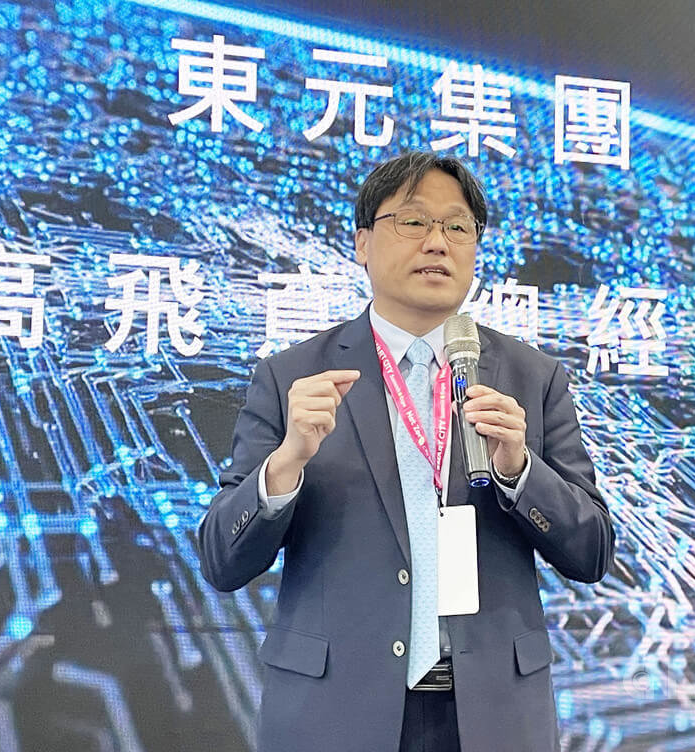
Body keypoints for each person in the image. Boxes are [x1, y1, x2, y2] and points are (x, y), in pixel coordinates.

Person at [197, 152, 616, 752]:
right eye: (414, 222)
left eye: (457, 227)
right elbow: (222, 559)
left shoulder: (534, 378)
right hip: (337, 713)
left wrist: (521, 472)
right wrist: (285, 465)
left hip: (492, 715)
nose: (437, 242)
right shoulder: (294, 377)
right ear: (363, 243)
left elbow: (592, 551)